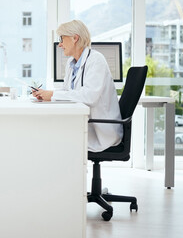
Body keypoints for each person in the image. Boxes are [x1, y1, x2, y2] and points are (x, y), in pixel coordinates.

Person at [32, 20, 123, 152]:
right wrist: (46, 94)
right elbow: (67, 91)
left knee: (50, 139)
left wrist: (52, 95)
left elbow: (89, 96)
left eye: (62, 39)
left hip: (100, 131)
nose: (60, 45)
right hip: (84, 124)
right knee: (46, 132)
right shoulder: (72, 62)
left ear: (75, 38)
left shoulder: (96, 60)